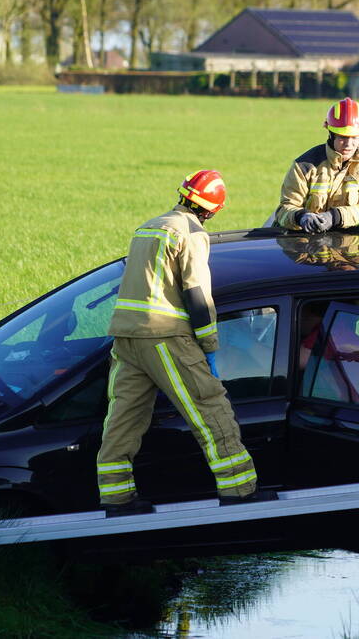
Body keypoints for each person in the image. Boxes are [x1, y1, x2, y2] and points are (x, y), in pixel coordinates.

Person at [96, 170, 276, 516]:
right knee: (210, 408)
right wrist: (208, 342)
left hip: (125, 337)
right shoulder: (192, 233)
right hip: (164, 337)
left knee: (123, 419)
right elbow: (196, 293)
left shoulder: (149, 226)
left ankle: (117, 499)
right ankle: (239, 490)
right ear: (211, 210)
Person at [273, 97, 359, 233]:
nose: (349, 144)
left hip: (348, 243)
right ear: (331, 133)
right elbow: (284, 209)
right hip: (302, 240)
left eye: (355, 137)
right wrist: (301, 217)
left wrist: (334, 217)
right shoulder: (304, 165)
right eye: (343, 137)